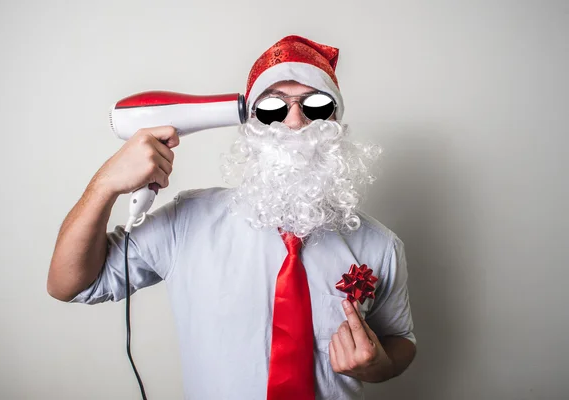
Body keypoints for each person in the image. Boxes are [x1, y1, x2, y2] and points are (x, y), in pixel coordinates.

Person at [47, 35, 416, 400]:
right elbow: (71, 285)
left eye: (315, 106)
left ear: (336, 122)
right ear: (251, 125)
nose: (295, 122)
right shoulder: (187, 222)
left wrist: (377, 365)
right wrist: (104, 185)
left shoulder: (380, 244)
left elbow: (401, 339)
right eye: (273, 108)